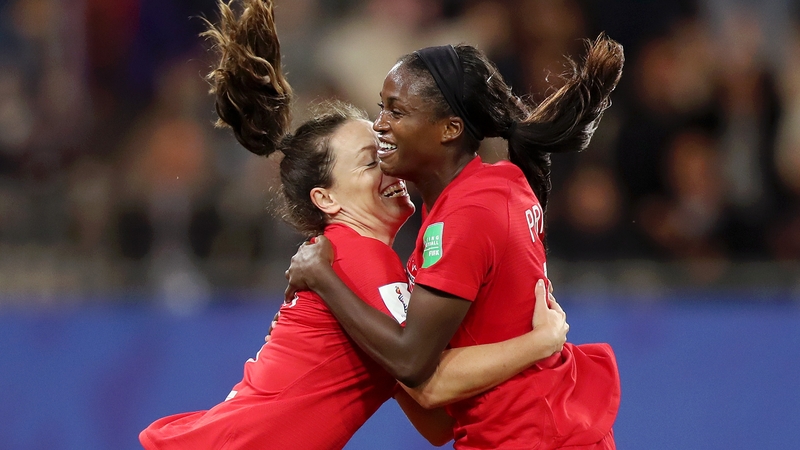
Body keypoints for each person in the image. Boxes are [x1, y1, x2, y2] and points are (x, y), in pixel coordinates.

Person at [140, 1, 569, 448]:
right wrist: (540, 343)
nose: (390, 168)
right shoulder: (357, 258)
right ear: (325, 198)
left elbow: (437, 421)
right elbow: (427, 382)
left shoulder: (346, 271)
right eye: (371, 163)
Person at [285, 34, 625, 449]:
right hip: (537, 428)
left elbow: (412, 363)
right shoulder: (496, 185)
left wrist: (322, 276)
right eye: (381, 107)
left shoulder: (468, 214)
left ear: (449, 129)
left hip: (534, 435)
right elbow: (435, 411)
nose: (380, 125)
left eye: (397, 111)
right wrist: (541, 342)